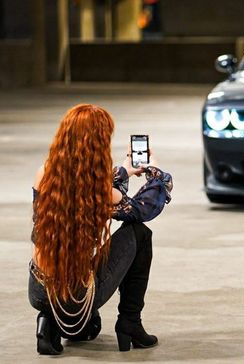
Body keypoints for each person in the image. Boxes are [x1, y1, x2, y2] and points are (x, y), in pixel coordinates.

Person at [28, 104, 173, 354]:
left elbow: (82, 184)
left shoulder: (45, 174)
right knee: (139, 233)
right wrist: (156, 172)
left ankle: (47, 321)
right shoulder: (99, 191)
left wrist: (125, 170)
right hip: (76, 297)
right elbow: (143, 209)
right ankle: (130, 323)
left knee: (88, 329)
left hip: (39, 290)